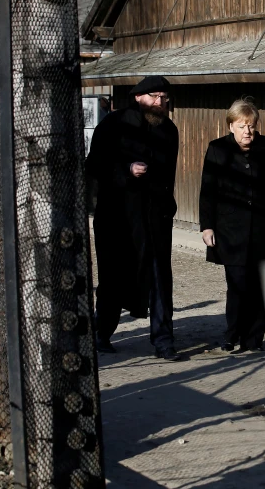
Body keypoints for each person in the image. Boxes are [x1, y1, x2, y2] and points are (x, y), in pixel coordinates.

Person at [86, 75, 181, 361]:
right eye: (154, 97)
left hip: (155, 218)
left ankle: (164, 341)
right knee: (114, 277)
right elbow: (94, 165)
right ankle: (102, 333)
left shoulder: (169, 130)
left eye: (164, 98)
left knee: (160, 279)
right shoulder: (113, 125)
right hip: (118, 217)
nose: (160, 103)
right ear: (138, 97)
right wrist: (126, 169)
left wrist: (168, 205)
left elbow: (169, 175)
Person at [199, 98, 265, 352]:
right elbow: (207, 191)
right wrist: (207, 226)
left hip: (262, 230)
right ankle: (231, 335)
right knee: (237, 285)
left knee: (261, 287)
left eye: (251, 126)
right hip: (230, 231)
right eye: (242, 126)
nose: (247, 131)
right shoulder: (217, 149)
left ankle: (253, 339)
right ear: (231, 125)